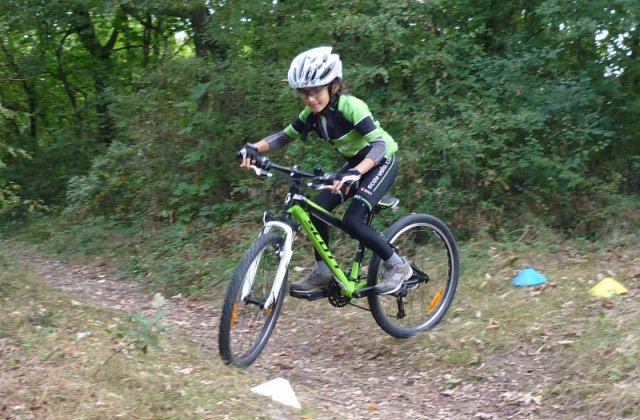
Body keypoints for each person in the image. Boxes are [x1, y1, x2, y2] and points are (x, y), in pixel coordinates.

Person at [239, 46, 411, 295]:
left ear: (333, 86)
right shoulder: (310, 114)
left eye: (316, 91)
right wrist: (253, 148)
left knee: (353, 220)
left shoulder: (351, 107)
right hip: (354, 165)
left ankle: (397, 265)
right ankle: (323, 272)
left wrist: (356, 172)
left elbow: (380, 145)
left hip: (381, 162)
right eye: (304, 93)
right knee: (317, 211)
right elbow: (282, 138)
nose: (310, 99)